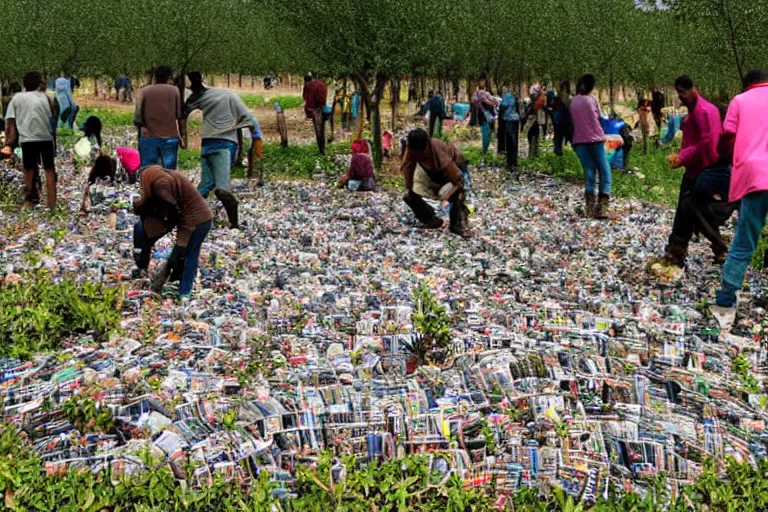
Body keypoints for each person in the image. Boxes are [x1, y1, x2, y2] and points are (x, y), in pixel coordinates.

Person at [712, 69, 768, 325]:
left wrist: (726, 155)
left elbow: (727, 136)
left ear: (748, 85)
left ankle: (725, 301)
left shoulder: (740, 100)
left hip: (754, 177)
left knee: (744, 241)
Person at [183, 71, 263, 229]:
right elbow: (249, 118)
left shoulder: (200, 97)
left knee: (211, 186)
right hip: (222, 143)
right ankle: (229, 223)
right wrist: (256, 137)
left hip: (211, 143)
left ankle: (191, 218)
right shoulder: (226, 95)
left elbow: (181, 113)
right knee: (215, 186)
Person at [661, 76, 723, 267]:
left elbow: (708, 144)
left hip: (703, 170)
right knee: (689, 210)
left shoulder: (704, 112)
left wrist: (683, 157)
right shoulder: (697, 111)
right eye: (678, 93)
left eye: (682, 92)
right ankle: (678, 251)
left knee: (690, 210)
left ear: (692, 89)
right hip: (696, 169)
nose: (681, 97)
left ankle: (717, 249)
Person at [132, 166, 213, 298]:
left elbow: (181, 217)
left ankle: (185, 292)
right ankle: (144, 268)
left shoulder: (161, 185)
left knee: (189, 254)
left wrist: (178, 247)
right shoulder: (153, 182)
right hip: (179, 217)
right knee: (141, 229)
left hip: (198, 220)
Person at [401, 128, 469, 236]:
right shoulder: (412, 150)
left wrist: (446, 198)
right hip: (432, 174)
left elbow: (458, 181)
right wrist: (410, 191)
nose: (419, 156)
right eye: (416, 153)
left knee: (456, 195)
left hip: (454, 174)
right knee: (409, 197)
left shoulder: (441, 157)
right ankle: (432, 219)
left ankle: (456, 225)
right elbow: (408, 169)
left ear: (427, 147)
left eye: (422, 154)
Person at [4, 72, 58, 209]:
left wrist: (9, 144)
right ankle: (51, 203)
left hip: (27, 139)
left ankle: (29, 201)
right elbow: (54, 118)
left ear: (25, 85)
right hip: (46, 138)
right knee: (49, 170)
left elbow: (10, 121)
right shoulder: (48, 98)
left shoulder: (17, 98)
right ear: (40, 84)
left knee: (29, 170)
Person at [569, 74, 612, 219]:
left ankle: (589, 208)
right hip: (596, 140)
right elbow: (600, 117)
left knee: (589, 173)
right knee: (605, 172)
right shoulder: (591, 100)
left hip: (579, 141)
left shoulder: (572, 102)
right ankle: (602, 209)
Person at [134, 65, 186, 170]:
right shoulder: (175, 91)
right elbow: (179, 116)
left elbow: (138, 117)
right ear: (169, 77)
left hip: (148, 137)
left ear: (155, 77)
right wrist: (183, 137)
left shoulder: (144, 91)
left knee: (148, 170)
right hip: (170, 137)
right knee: (169, 171)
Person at [303, 74, 328, 155]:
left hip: (315, 109)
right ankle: (323, 149)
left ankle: (321, 150)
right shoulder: (322, 84)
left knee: (318, 129)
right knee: (323, 129)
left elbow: (305, 97)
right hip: (323, 108)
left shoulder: (308, 86)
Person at [472, 81, 498, 154]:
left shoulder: (476, 97)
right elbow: (494, 103)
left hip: (482, 118)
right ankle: (484, 150)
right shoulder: (486, 96)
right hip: (485, 118)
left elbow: (473, 104)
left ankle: (485, 149)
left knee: (485, 134)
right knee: (486, 134)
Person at [498, 92, 520, 170]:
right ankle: (514, 161)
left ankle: (510, 162)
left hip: (509, 120)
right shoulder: (513, 98)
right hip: (516, 120)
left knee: (510, 142)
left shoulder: (506, 97)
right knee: (515, 142)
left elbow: (504, 106)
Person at [552, 80, 572, 157]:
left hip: (561, 119)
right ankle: (558, 149)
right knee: (562, 134)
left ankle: (558, 149)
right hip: (563, 119)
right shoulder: (565, 96)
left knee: (560, 134)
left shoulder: (559, 96)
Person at [526, 85, 546, 157]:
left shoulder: (538, 100)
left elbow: (532, 109)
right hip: (536, 120)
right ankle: (534, 154)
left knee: (531, 136)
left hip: (534, 120)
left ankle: (532, 154)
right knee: (534, 136)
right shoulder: (541, 99)